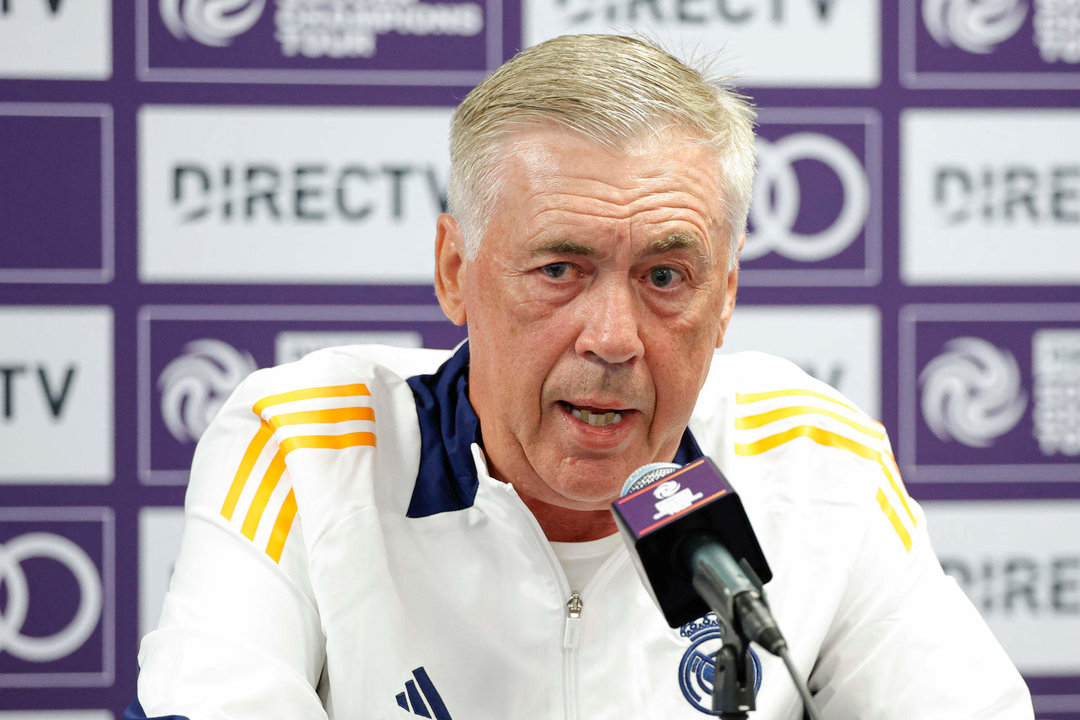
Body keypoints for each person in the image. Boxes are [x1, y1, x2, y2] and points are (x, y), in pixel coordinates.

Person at [127, 34, 1034, 719]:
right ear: (456, 272)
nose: (612, 339)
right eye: (559, 268)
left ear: (726, 300)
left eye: (665, 277)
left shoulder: (812, 456)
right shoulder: (306, 445)